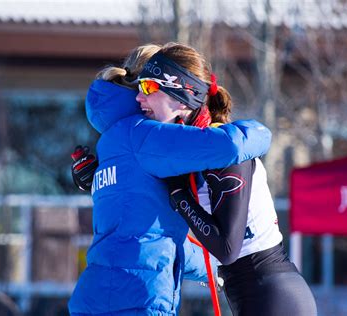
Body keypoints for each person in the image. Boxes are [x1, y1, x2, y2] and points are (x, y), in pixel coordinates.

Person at [68, 43, 272, 316]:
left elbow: (152, 241)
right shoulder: (145, 135)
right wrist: (260, 131)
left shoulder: (112, 140)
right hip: (137, 299)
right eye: (148, 87)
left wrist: (213, 267)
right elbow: (229, 147)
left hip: (95, 299)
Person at [139, 47, 318, 314]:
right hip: (253, 291)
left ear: (182, 97)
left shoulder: (222, 148)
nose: (139, 96)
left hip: (271, 293)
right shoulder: (193, 153)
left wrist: (178, 194)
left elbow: (227, 248)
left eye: (148, 86)